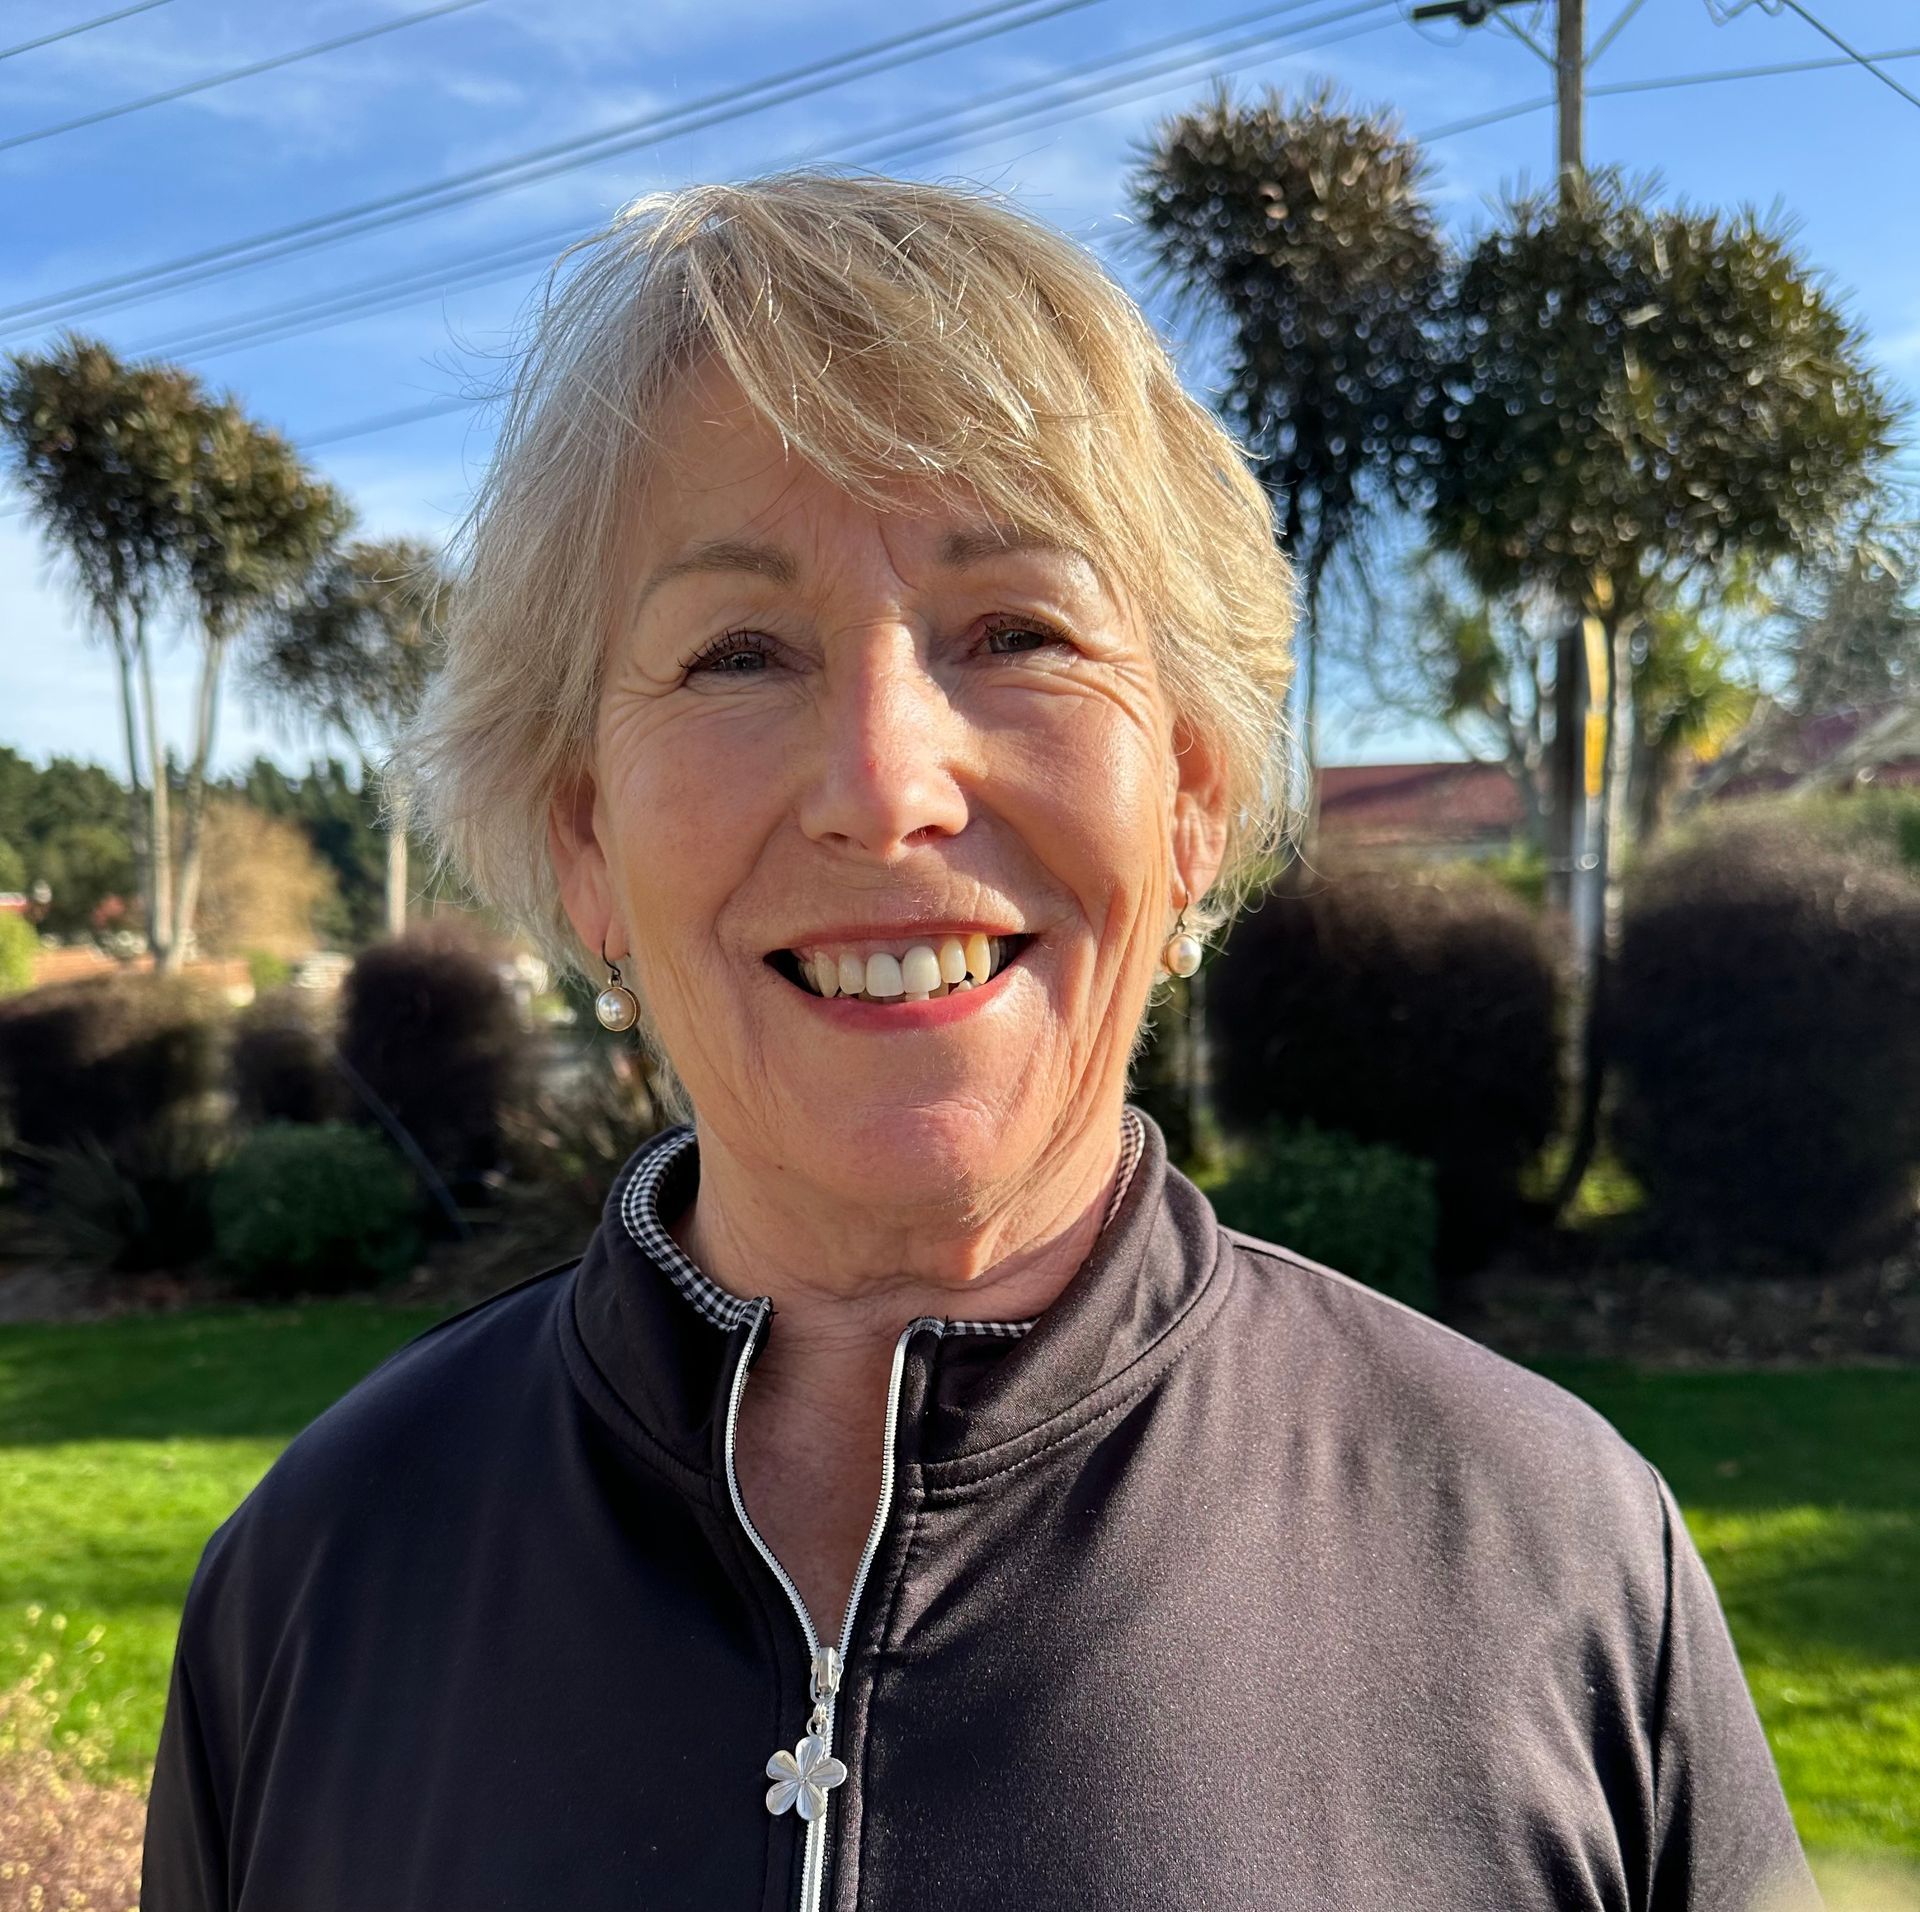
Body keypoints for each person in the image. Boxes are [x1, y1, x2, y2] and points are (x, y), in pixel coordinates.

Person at [141, 172, 1817, 1912]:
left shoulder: (1554, 1558)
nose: (885, 786)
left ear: (1186, 800)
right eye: (736, 654)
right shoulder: (313, 1579)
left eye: (1016, 631)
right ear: (586, 846)